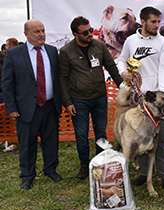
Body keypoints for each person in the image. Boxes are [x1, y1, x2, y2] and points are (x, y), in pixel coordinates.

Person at [117, 6, 164, 191]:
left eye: (159, 22)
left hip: (156, 100)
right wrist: (124, 72)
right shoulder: (131, 41)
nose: (157, 25)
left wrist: (161, 96)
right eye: (153, 22)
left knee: (162, 138)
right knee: (139, 136)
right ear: (143, 22)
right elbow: (120, 59)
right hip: (136, 98)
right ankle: (143, 173)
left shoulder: (163, 42)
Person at [59, 16, 123, 179]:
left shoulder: (99, 46)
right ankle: (83, 166)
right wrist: (67, 102)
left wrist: (122, 87)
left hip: (99, 97)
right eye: (85, 32)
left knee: (101, 133)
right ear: (75, 34)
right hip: (78, 100)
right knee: (81, 134)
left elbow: (111, 67)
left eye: (90, 30)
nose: (89, 34)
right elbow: (63, 78)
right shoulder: (66, 51)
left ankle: (101, 164)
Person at [2, 20, 62, 190]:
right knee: (27, 143)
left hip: (50, 106)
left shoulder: (51, 51)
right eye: (36, 31)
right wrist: (11, 108)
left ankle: (50, 170)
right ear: (26, 34)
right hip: (26, 108)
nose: (41, 34)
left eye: (43, 30)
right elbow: (7, 84)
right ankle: (27, 175)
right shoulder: (14, 54)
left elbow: (57, 78)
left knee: (51, 141)